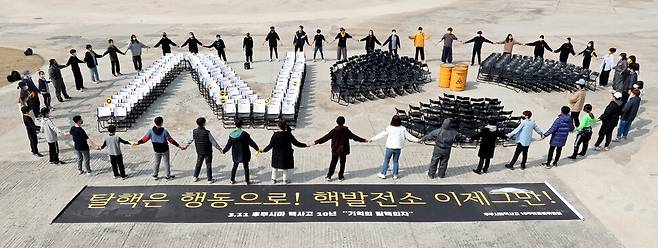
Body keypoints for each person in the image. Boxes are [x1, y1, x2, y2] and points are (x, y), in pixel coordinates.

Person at [314, 116, 367, 181]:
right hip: (343, 150)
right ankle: (340, 176)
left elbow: (325, 138)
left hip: (335, 150)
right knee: (342, 163)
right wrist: (364, 140)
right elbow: (355, 137)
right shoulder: (346, 131)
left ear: (337, 122)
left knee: (333, 163)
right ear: (344, 122)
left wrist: (316, 142)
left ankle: (329, 176)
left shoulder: (334, 131)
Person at [182, 117, 223, 184]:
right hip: (208, 151)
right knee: (208, 164)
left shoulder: (194, 131)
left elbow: (191, 139)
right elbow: (213, 141)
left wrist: (186, 145)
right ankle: (209, 179)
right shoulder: (207, 132)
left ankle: (195, 176)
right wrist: (219, 148)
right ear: (204, 124)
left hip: (199, 150)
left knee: (198, 163)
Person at [222, 119, 259, 184]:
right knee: (246, 167)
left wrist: (224, 151)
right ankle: (247, 181)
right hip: (244, 153)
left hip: (236, 154)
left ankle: (232, 180)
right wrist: (257, 149)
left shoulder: (231, 135)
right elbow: (251, 143)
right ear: (242, 125)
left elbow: (228, 145)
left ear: (235, 125)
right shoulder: (244, 134)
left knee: (235, 166)